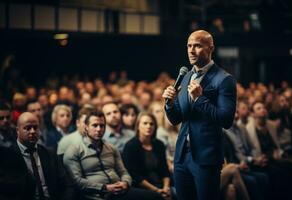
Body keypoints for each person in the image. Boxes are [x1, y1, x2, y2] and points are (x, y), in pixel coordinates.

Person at [162, 30, 237, 200]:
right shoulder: (186, 76)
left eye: (197, 46)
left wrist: (199, 99)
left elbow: (226, 120)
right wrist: (169, 103)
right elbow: (176, 119)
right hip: (181, 156)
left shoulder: (224, 79)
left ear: (211, 48)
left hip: (206, 157)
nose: (191, 50)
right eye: (189, 46)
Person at [63, 110, 163, 200]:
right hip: (97, 194)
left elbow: (123, 171)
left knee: (155, 197)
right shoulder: (74, 150)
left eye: (102, 126)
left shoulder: (111, 147)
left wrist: (125, 183)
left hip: (119, 191)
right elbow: (77, 182)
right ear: (86, 127)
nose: (99, 129)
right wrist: (105, 188)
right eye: (95, 125)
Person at [14, 112, 75, 200]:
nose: (32, 131)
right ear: (17, 130)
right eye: (27, 128)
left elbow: (67, 184)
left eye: (35, 128)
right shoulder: (9, 155)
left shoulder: (49, 153)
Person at [123, 112, 172, 200]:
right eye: (145, 123)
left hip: (160, 184)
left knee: (177, 193)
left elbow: (164, 170)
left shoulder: (159, 144)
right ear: (138, 126)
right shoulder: (130, 146)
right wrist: (157, 190)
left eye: (151, 124)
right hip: (142, 187)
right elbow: (135, 176)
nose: (149, 126)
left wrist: (166, 188)